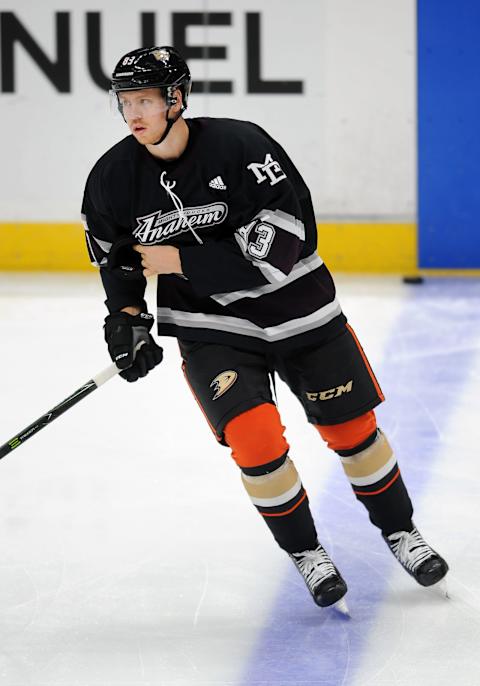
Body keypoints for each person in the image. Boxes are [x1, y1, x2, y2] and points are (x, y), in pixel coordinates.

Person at [81, 45, 448, 609]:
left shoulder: (242, 145)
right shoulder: (110, 178)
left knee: (353, 433)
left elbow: (288, 240)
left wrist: (181, 262)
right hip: (211, 327)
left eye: (146, 100)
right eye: (126, 101)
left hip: (299, 311)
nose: (134, 113)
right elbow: (119, 260)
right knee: (253, 441)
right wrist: (126, 320)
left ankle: (402, 531)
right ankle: (307, 551)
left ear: (176, 100)